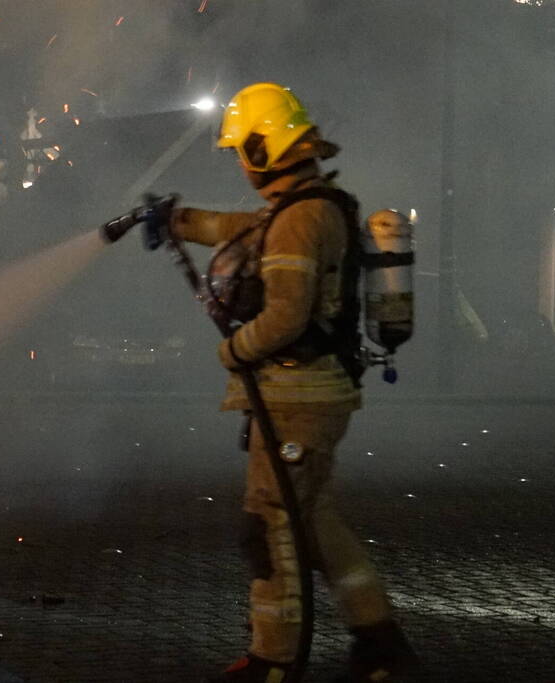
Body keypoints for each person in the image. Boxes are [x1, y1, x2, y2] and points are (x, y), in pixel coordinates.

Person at [169, 83, 419, 682]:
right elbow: (242, 227)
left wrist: (233, 350)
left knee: (269, 523)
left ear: (262, 147)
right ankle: (379, 642)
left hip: (295, 395)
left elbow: (285, 316)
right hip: (314, 392)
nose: (239, 163)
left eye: (240, 151)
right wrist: (177, 220)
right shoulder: (311, 204)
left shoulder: (302, 217)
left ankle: (273, 660)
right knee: (313, 518)